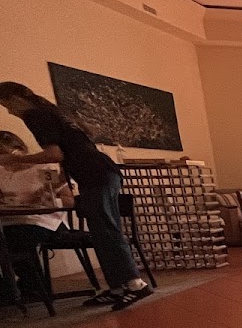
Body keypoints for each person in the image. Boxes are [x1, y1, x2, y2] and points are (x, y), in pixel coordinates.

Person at [0, 83, 152, 310]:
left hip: (96, 175)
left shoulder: (35, 116)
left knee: (107, 231)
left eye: (6, 105)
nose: (9, 112)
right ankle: (118, 289)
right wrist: (55, 184)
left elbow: (55, 154)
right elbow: (70, 153)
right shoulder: (51, 113)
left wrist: (16, 159)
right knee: (101, 233)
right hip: (98, 173)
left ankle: (136, 285)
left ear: (15, 99)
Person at [0, 130, 71, 297]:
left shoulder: (44, 168)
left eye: (5, 154)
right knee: (6, 236)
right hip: (11, 220)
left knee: (15, 237)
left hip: (43, 220)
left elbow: (69, 199)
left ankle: (33, 284)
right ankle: (11, 286)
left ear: (20, 150)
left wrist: (47, 199)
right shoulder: (2, 173)